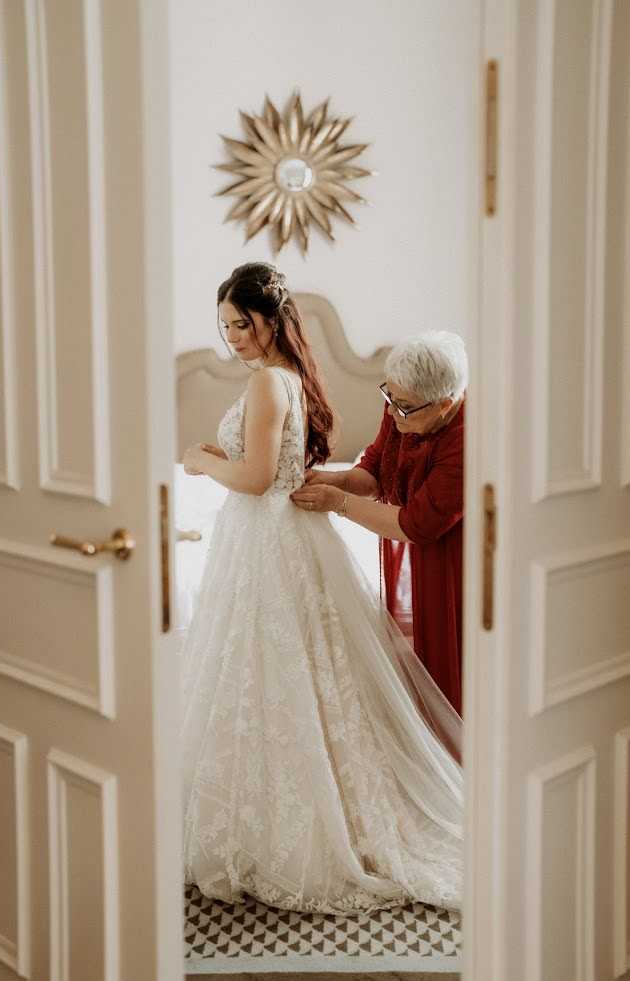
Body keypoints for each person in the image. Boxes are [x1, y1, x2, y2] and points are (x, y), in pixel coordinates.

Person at [180, 262, 462, 915]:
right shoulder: (286, 380)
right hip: (271, 536)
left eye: (241, 324)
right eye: (224, 326)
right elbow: (317, 469)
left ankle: (294, 826)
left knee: (271, 674)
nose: (233, 337)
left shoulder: (267, 386)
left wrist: (200, 461)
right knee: (276, 673)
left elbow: (253, 478)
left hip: (265, 534)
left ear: (270, 320)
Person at [294, 333, 465, 716]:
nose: (390, 413)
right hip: (421, 538)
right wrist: (334, 479)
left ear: (445, 405)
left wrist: (338, 503)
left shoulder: (466, 440)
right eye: (388, 397)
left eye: (402, 407)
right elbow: (374, 470)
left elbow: (416, 524)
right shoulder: (402, 407)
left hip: (456, 557)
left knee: (451, 659)